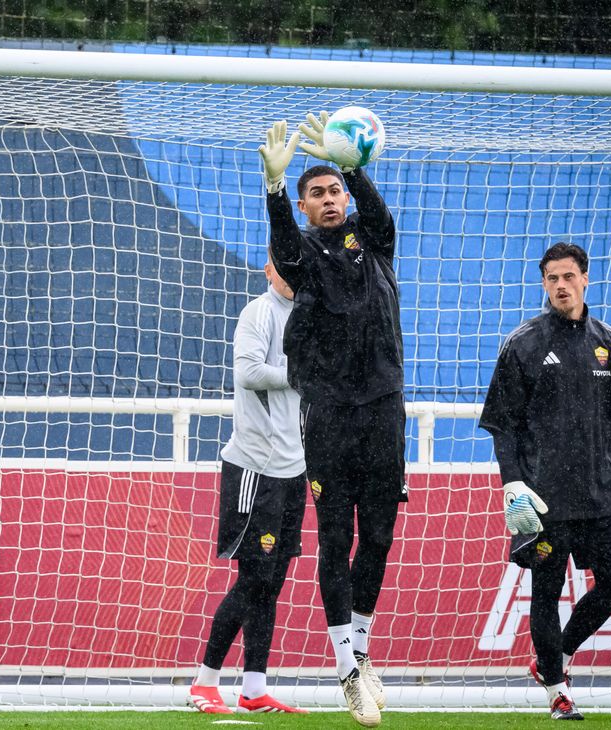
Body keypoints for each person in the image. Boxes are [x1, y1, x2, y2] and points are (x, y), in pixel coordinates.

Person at [257, 113, 406, 728]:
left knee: (378, 538)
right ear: (303, 203)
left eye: (334, 191)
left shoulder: (374, 242)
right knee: (336, 539)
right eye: (314, 193)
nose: (327, 200)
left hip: (383, 410)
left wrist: (352, 165)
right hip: (329, 415)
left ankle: (363, 655)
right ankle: (347, 669)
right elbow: (284, 248)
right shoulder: (304, 257)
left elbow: (382, 218)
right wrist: (272, 189)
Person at [479, 242, 611, 721]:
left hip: (601, 493)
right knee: (545, 594)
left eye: (568, 276)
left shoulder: (610, 342)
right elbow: (503, 426)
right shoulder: (523, 343)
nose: (560, 285)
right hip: (544, 499)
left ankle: (555, 656)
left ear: (585, 279)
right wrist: (512, 485)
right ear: (543, 284)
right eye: (552, 278)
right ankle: (557, 691)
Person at [188, 254, 309, 715]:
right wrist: (303, 376)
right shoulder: (258, 313)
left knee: (272, 581)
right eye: (283, 266)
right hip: (253, 470)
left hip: (293, 468)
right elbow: (248, 373)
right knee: (254, 579)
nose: (292, 275)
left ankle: (254, 688)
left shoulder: (312, 315)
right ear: (268, 270)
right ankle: (205, 682)